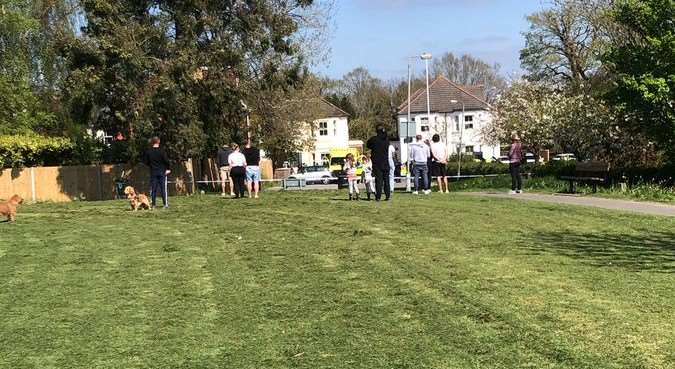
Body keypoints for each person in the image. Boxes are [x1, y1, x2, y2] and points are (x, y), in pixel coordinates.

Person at [142, 136, 171, 208]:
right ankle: (165, 204)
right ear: (159, 142)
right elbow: (166, 161)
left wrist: (151, 166)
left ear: (152, 142)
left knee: (153, 189)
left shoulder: (149, 151)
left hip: (153, 172)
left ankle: (153, 205)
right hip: (162, 172)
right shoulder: (162, 151)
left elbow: (145, 162)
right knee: (163, 189)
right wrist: (168, 169)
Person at [366, 126, 391, 201]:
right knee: (386, 180)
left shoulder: (374, 139)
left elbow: (368, 145)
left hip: (377, 163)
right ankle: (387, 195)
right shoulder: (386, 140)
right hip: (386, 162)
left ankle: (378, 196)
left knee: (379, 180)